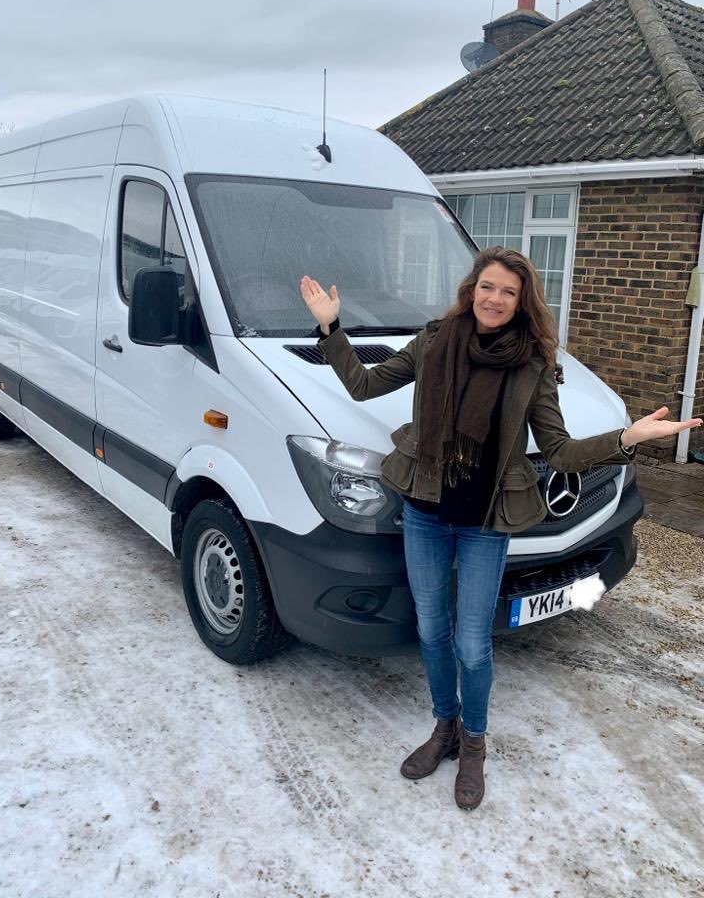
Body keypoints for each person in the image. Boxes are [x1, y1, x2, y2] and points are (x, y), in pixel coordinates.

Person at [299, 247, 701, 812]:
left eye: (508, 292)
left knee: (471, 642)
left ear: (521, 302)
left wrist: (626, 439)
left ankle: (473, 744)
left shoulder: (532, 365)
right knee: (432, 631)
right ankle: (444, 727)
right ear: (472, 289)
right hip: (425, 510)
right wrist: (330, 327)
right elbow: (365, 386)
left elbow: (558, 453)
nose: (494, 298)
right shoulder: (435, 340)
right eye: (487, 286)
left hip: (486, 520)